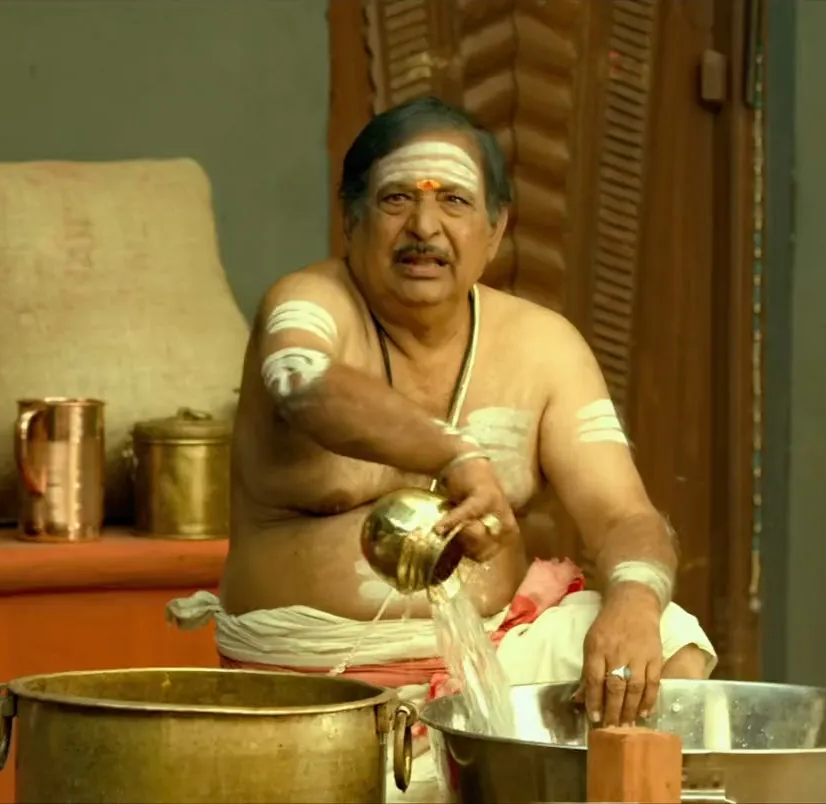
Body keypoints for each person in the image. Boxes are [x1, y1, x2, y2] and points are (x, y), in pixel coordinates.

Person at [167, 97, 714, 741]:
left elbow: (624, 516)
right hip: (315, 689)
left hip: (492, 658)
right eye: (397, 199)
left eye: (454, 201)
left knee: (665, 647)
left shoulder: (543, 346)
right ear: (351, 219)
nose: (425, 227)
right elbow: (304, 385)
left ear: (495, 230)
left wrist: (635, 602)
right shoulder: (308, 305)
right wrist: (456, 454)